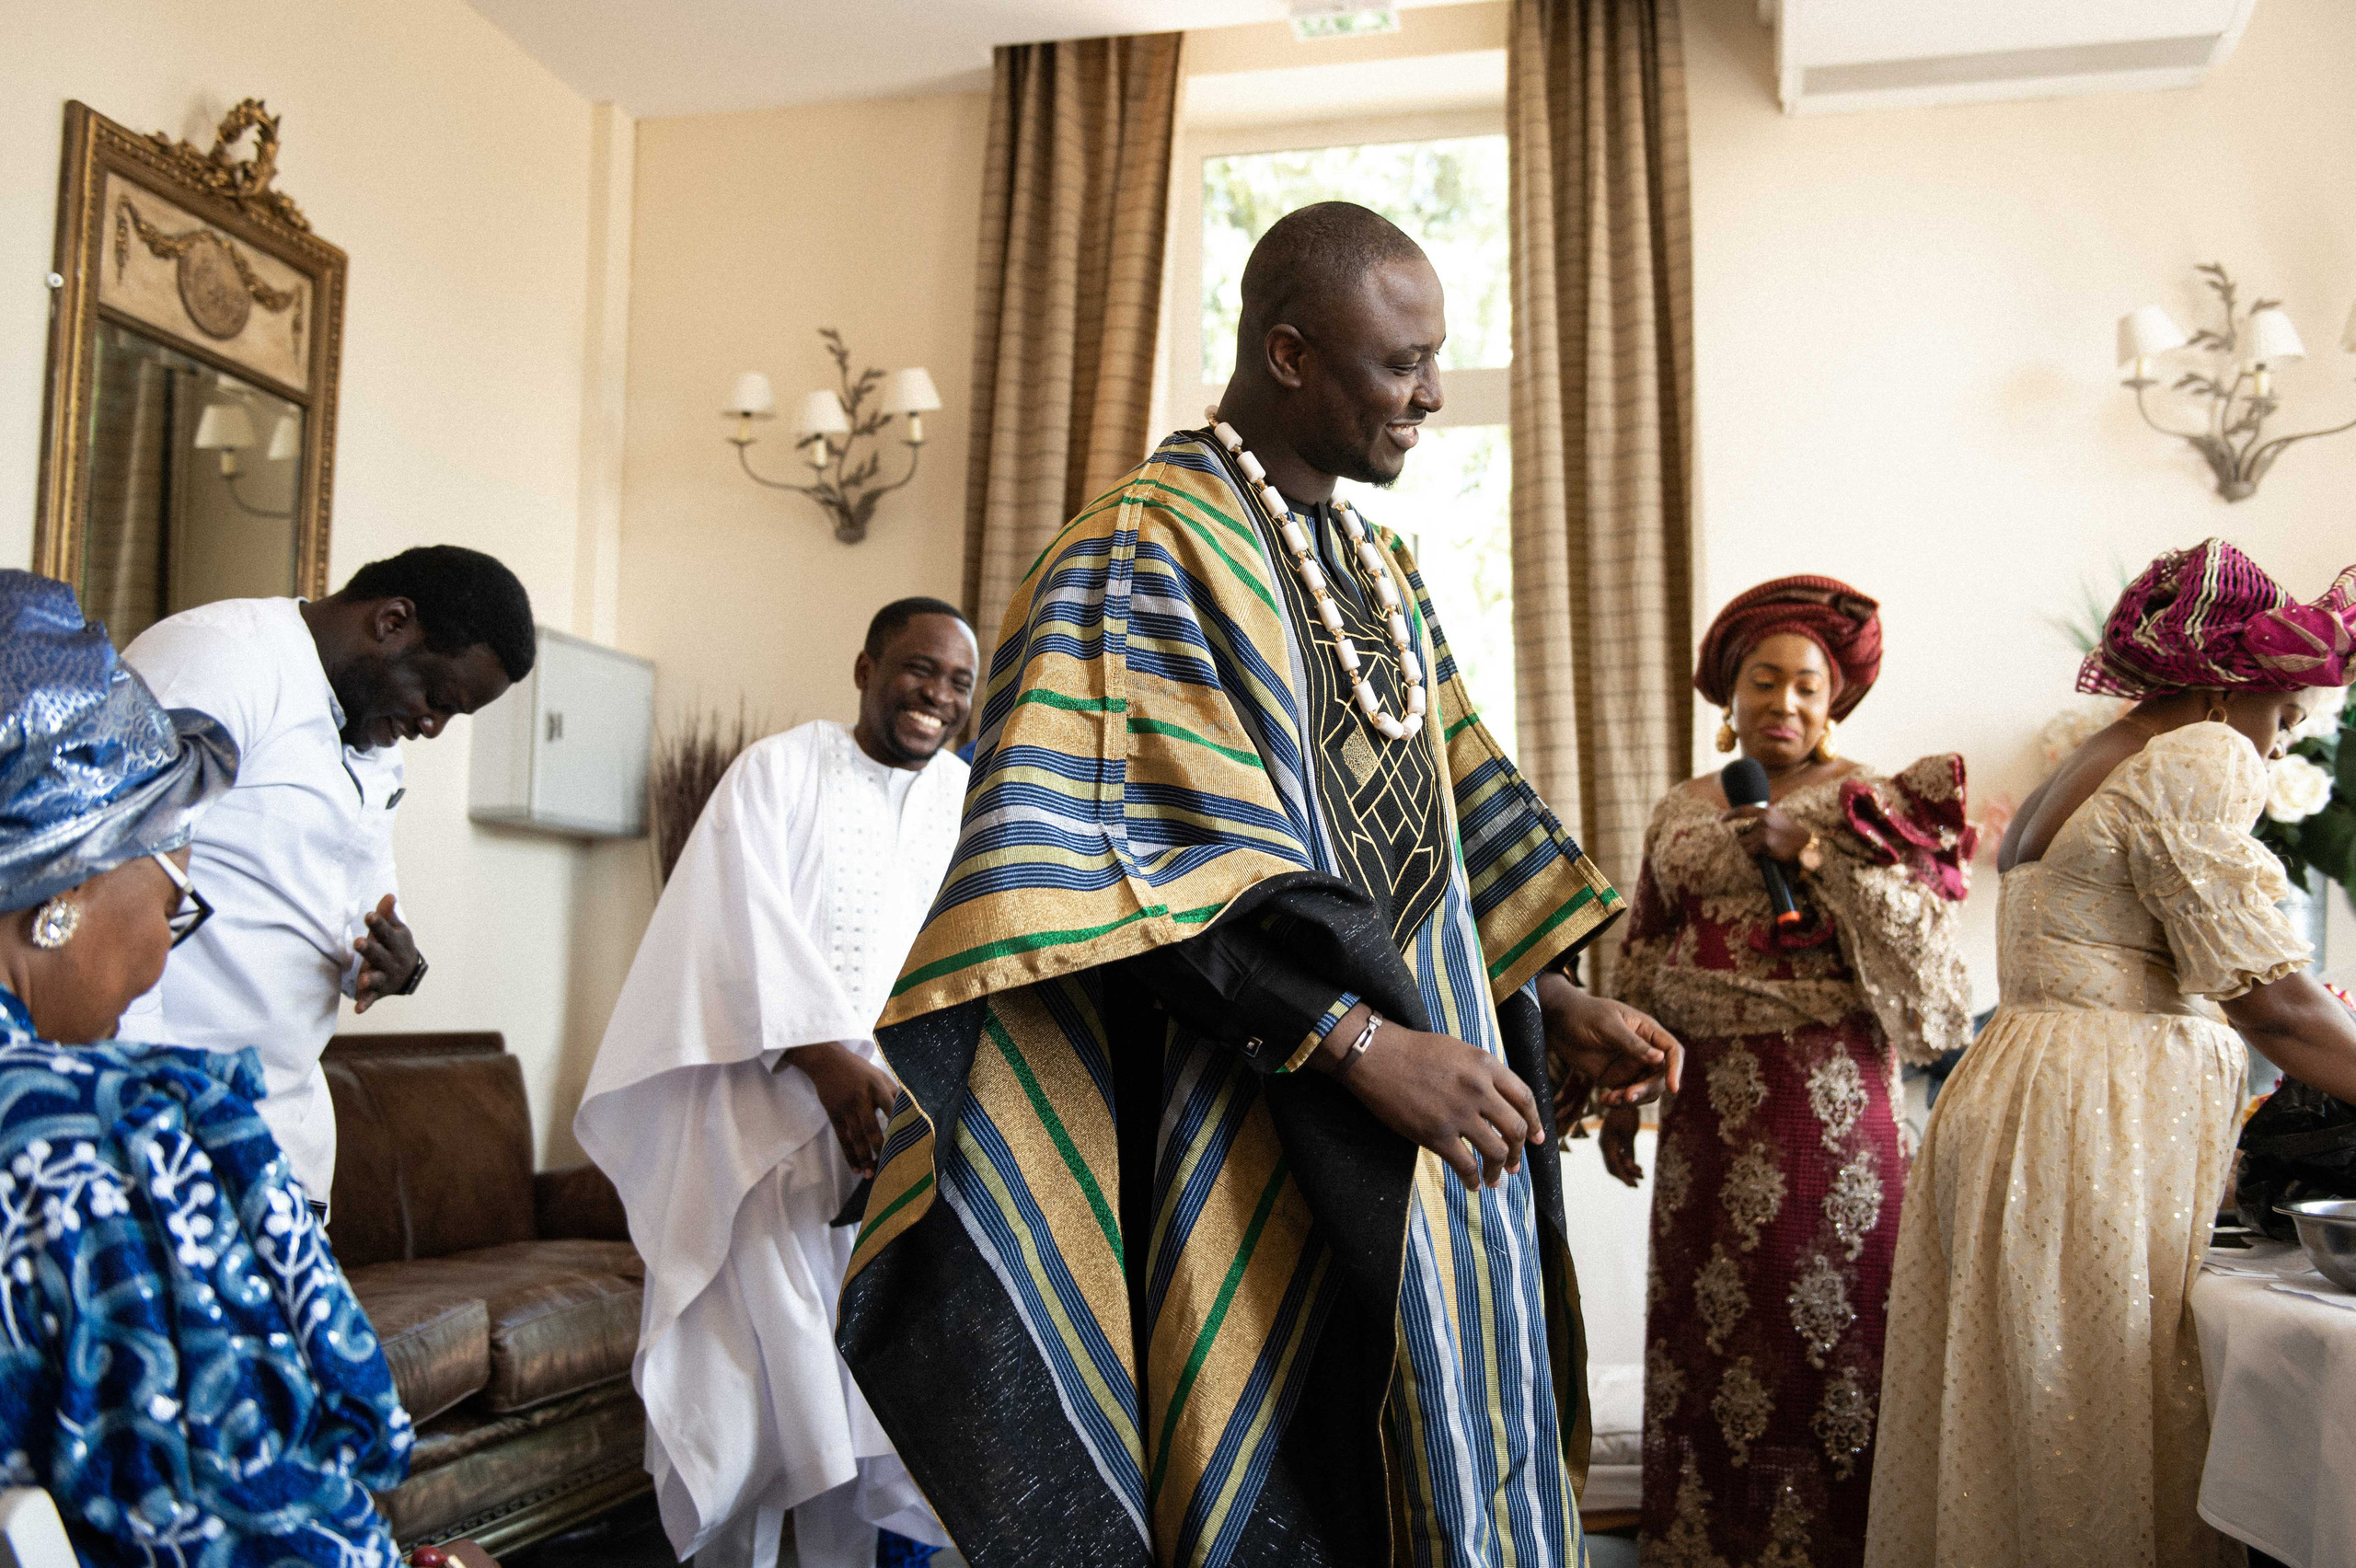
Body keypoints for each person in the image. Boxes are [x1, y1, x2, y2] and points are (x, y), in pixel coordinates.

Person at [834, 201, 1682, 1568]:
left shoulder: (1379, 568)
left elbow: (1444, 824)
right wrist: (1355, 1043)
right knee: (1305, 1488)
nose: (1432, 394)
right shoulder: (1136, 556)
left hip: (1445, 1116)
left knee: (1462, 1469)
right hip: (1245, 1146)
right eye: (1400, 364)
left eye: (1437, 357)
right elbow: (1105, 880)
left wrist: (1552, 994)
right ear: (1287, 355)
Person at [1865, 540, 2356, 1568]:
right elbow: (2271, 1007)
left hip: (2023, 1095)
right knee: (2093, 1410)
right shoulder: (2203, 754)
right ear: (2230, 686)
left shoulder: (2100, 755)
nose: (2293, 728)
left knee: (2035, 1414)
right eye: (2285, 700)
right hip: (2095, 1119)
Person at [0, 570, 443, 1566]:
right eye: (171, 907)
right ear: (60, 893)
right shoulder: (114, 1150)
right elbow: (267, 1534)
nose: (166, 947)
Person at [575, 598, 976, 1568]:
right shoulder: (780, 771)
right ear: (865, 665)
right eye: (920, 669)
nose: (938, 696)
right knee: (754, 1412)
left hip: (906, 1151)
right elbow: (727, 922)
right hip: (763, 1144)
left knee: (869, 1412)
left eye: (960, 682)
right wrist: (825, 1057)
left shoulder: (973, 802)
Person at [1601, 576, 1973, 1566]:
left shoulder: (1873, 804)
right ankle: (1704, 1544)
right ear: (1728, 695)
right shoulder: (1681, 807)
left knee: (1827, 1335)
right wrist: (1614, 1086)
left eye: (1808, 686)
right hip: (1702, 1118)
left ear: (1835, 700)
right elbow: (1642, 950)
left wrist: (1813, 855)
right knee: (1710, 1337)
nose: (1786, 704)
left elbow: (1934, 974)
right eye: (1764, 682)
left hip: (1829, 1103)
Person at [114, 545, 533, 1202]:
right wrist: (135, 1107)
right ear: (392, 621)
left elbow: (351, 915)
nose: (431, 727)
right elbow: (108, 882)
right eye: (436, 698)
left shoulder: (376, 745)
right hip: (164, 1133)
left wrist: (393, 963)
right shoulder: (217, 660)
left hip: (284, 1143)